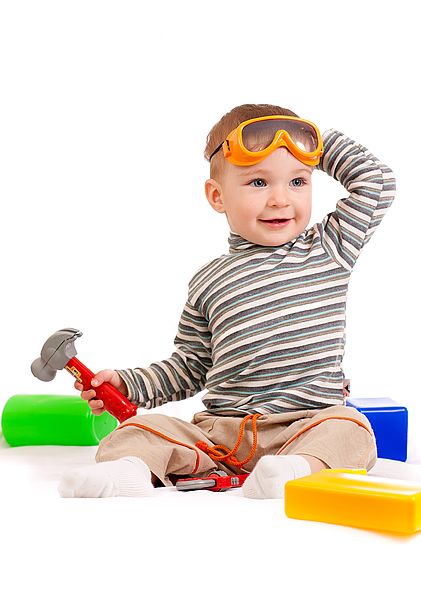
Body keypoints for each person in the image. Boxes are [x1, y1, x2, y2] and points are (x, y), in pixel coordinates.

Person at [58, 103, 396, 499]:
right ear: (217, 196)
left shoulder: (329, 248)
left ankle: (295, 470)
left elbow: (377, 181)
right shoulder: (208, 281)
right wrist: (129, 384)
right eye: (258, 183)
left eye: (298, 181)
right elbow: (190, 367)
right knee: (143, 430)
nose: (280, 199)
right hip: (221, 435)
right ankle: (127, 472)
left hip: (305, 424)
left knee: (351, 429)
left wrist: (312, 138)